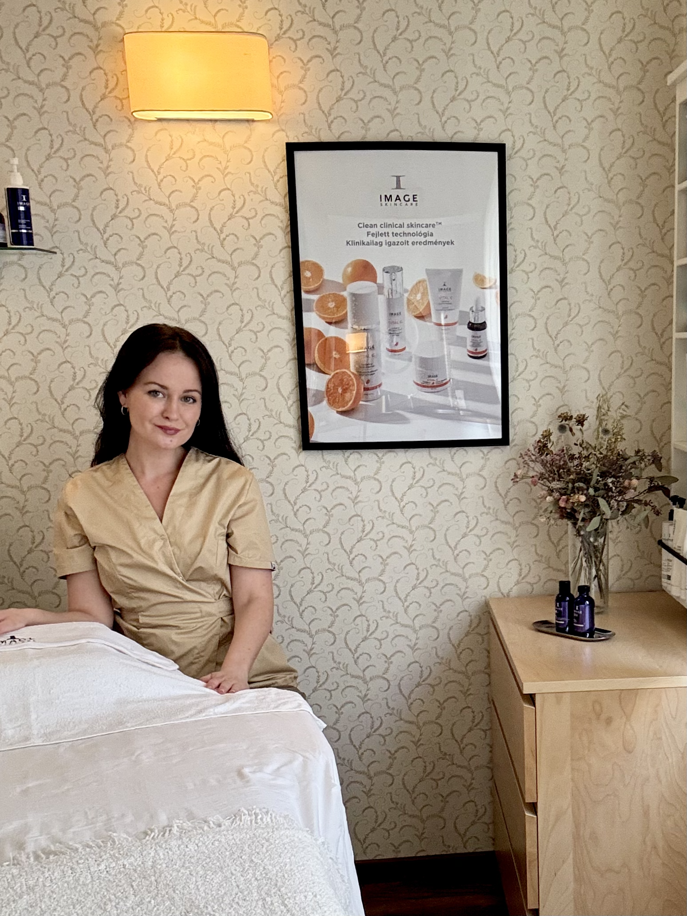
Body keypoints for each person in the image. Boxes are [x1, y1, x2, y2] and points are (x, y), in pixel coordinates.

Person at [0, 324, 299, 695]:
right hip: (143, 677)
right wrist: (30, 616)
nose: (173, 412)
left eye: (189, 398)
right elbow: (93, 618)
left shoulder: (233, 482)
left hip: (244, 674)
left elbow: (255, 598)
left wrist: (234, 673)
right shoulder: (81, 495)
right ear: (123, 394)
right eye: (157, 393)